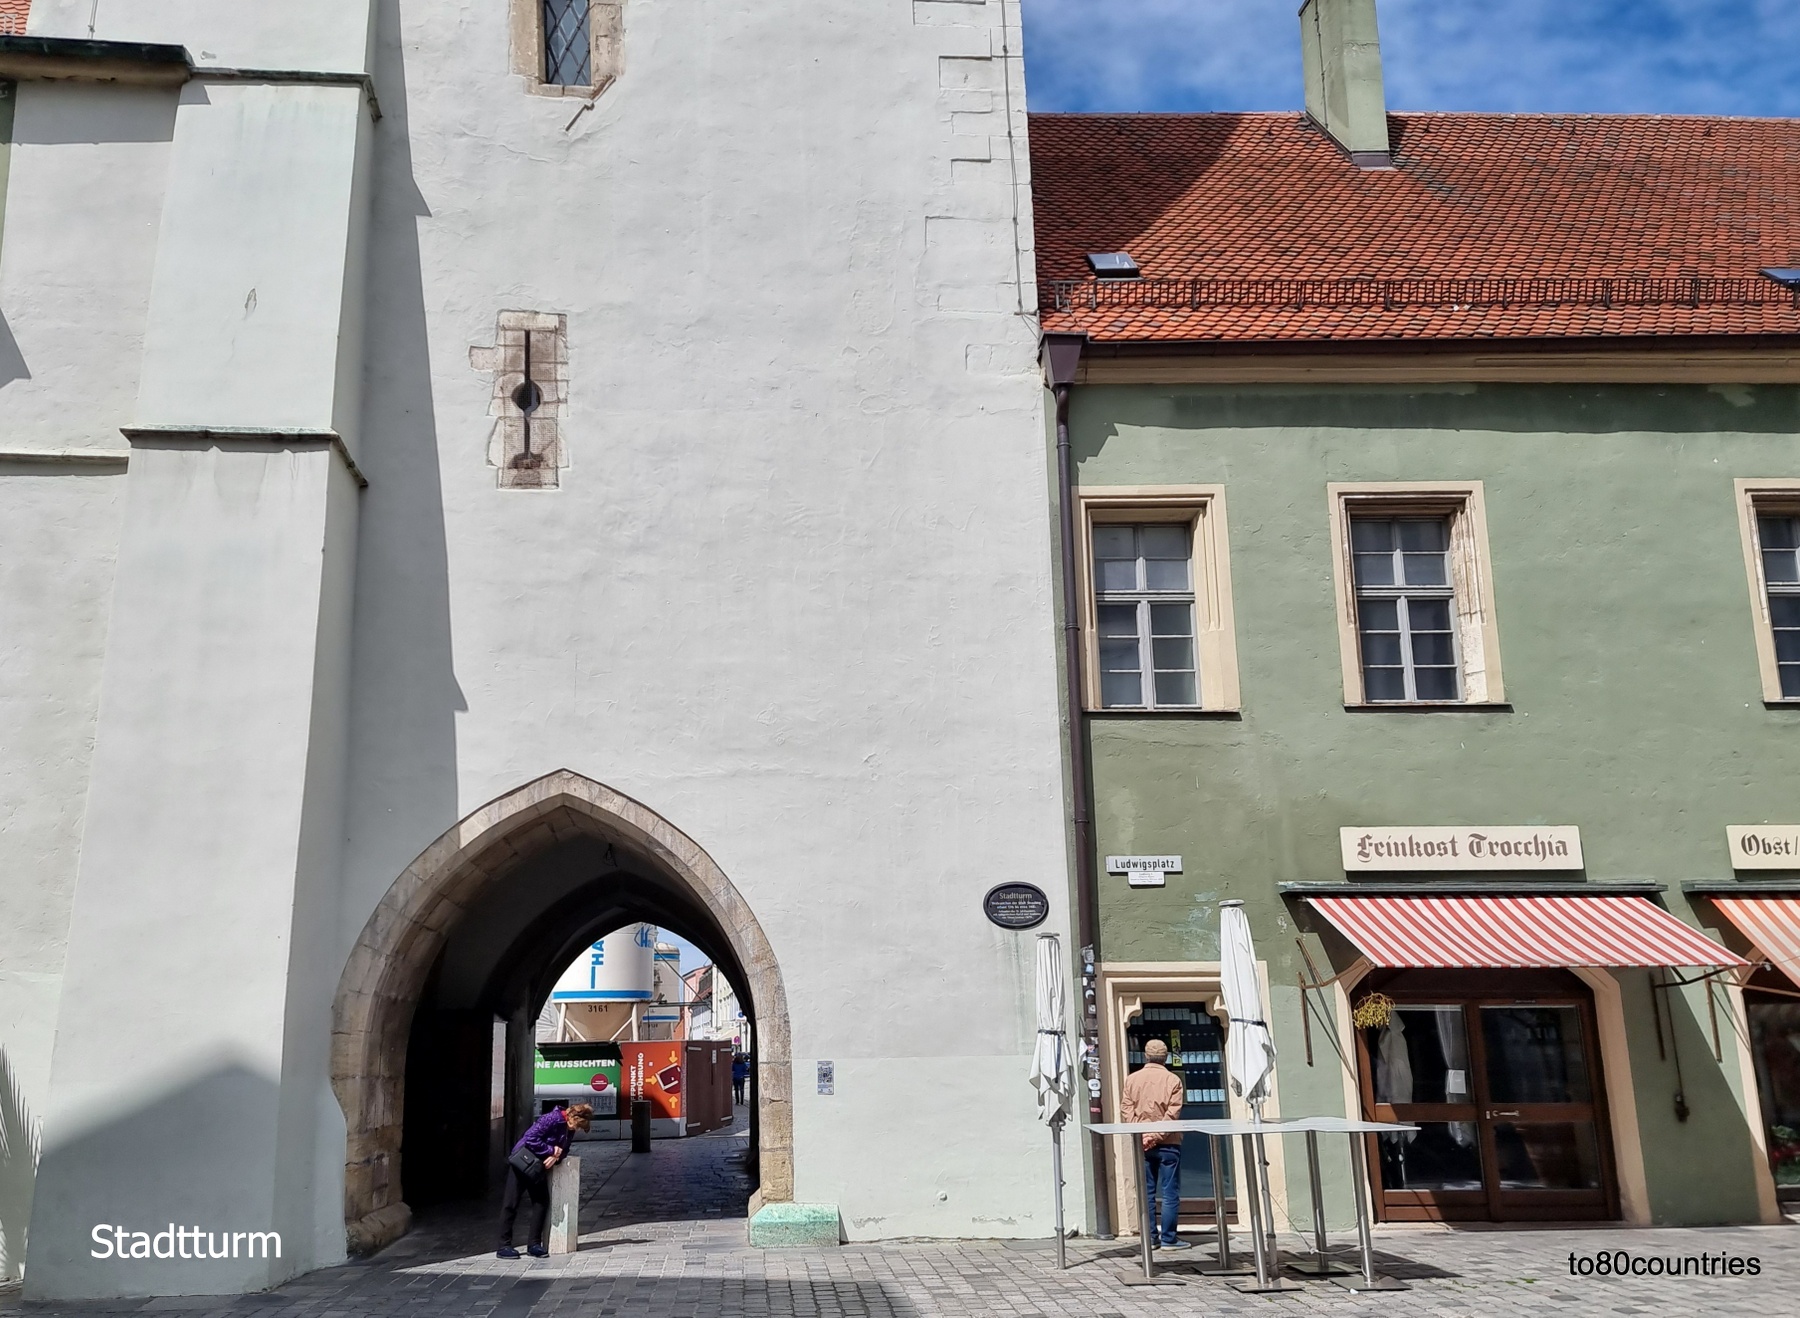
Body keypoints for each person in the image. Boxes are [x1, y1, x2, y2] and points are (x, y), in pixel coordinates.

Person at [497, 1103, 592, 1259]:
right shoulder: (551, 1119)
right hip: (522, 1163)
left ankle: (534, 1244)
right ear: (573, 1118)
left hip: (538, 1167)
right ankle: (504, 1245)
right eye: (578, 1126)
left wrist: (556, 1157)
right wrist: (551, 1150)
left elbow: (564, 1150)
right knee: (511, 1203)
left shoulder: (569, 1129)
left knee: (541, 1202)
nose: (577, 1129)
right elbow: (530, 1138)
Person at [1120, 1038, 1189, 1250]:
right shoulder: (1173, 1080)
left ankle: (1150, 1238)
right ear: (1165, 1057)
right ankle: (1169, 1238)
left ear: (1146, 1056)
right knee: (1169, 1192)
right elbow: (1173, 1113)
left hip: (1142, 1144)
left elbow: (1126, 1110)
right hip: (1169, 1142)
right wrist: (1156, 1135)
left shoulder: (1132, 1080)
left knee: (1146, 1191)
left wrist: (1143, 1135)